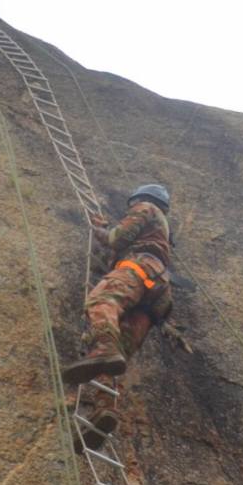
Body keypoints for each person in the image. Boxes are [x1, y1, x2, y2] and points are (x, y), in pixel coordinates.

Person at [62, 184, 175, 446]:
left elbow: (117, 239)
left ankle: (103, 346)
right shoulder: (161, 229)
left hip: (140, 270)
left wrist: (103, 232)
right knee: (115, 356)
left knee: (102, 302)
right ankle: (104, 411)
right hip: (156, 297)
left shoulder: (145, 208)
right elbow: (123, 241)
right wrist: (106, 229)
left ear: (140, 198)